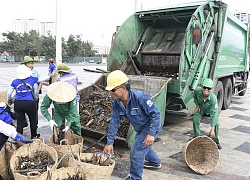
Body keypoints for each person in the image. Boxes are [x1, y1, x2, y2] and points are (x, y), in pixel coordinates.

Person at [102, 70, 162, 180]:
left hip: (150, 127)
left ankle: (135, 178)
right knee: (143, 146)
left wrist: (151, 134)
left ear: (123, 88)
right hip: (140, 128)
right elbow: (114, 122)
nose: (111, 92)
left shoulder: (141, 98)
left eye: (113, 89)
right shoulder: (117, 103)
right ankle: (155, 162)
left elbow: (156, 115)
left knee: (136, 152)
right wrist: (109, 142)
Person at [7, 64, 50, 139]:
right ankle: (34, 136)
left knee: (20, 121)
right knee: (33, 119)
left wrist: (10, 100)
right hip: (29, 103)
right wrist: (50, 75)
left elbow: (9, 93)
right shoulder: (32, 79)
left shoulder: (15, 81)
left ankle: (19, 137)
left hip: (18, 103)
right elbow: (42, 79)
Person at [193, 78, 222, 149]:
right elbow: (195, 97)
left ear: (211, 89)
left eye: (208, 88)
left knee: (216, 124)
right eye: (204, 87)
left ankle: (215, 140)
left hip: (210, 110)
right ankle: (197, 137)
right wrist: (197, 106)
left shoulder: (213, 99)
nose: (206, 90)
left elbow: (214, 115)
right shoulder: (197, 91)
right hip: (201, 107)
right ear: (201, 87)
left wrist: (212, 129)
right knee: (195, 119)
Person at [22, 56, 42, 127]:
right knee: (23, 109)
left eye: (32, 63)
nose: (31, 65)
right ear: (25, 64)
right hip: (25, 94)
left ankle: (34, 126)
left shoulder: (35, 71)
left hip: (34, 93)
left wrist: (37, 91)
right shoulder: (22, 72)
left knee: (35, 111)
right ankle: (24, 123)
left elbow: (40, 82)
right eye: (29, 63)